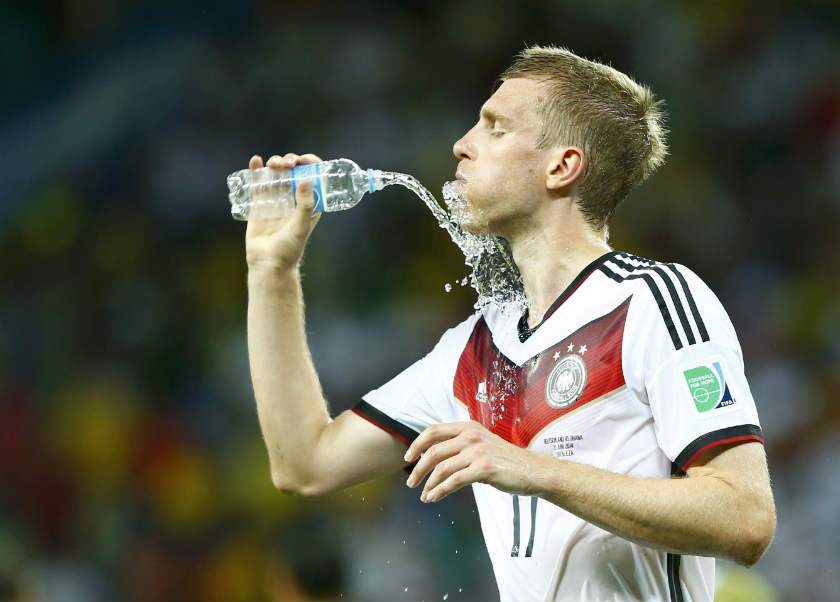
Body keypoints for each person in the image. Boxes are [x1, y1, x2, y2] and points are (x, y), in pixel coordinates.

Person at [243, 45, 776, 602]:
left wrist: (533, 468)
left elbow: (745, 517)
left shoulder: (650, 302)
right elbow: (305, 463)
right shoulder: (474, 349)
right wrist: (271, 272)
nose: (462, 144)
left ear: (562, 166)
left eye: (494, 129)